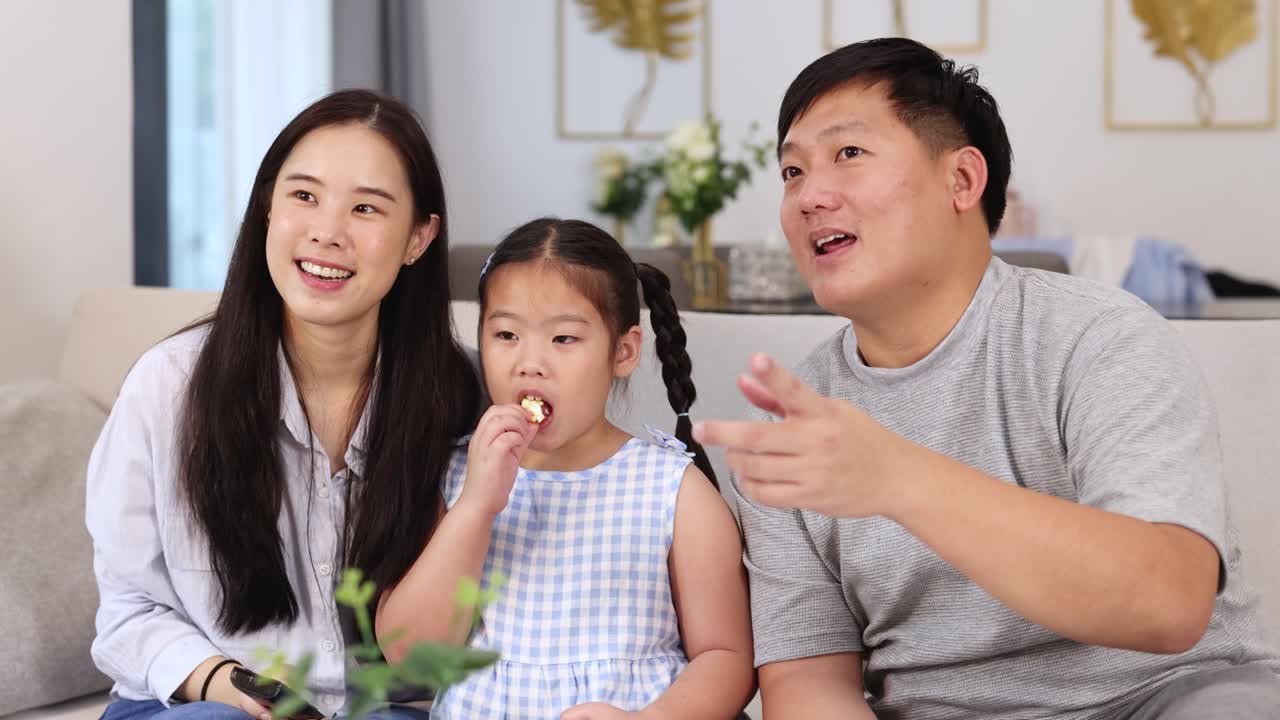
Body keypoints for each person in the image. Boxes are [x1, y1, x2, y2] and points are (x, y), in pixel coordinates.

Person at [694, 38, 1280, 719]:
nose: (808, 196)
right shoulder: (795, 424)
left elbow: (1168, 602)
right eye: (792, 172)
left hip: (1162, 699)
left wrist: (895, 477)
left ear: (963, 182)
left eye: (848, 154)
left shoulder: (1100, 336)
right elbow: (809, 686)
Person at [87, 89, 481, 720]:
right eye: (304, 196)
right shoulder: (167, 386)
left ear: (418, 237)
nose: (328, 232)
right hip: (210, 702)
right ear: (268, 206)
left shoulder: (464, 398)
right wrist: (243, 689)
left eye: (366, 208)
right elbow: (129, 611)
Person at [377, 218, 755, 719]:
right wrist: (477, 505)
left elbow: (726, 658)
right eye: (506, 334)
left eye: (563, 339)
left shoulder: (672, 490)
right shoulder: (452, 475)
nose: (530, 363)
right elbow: (412, 658)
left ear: (622, 352)